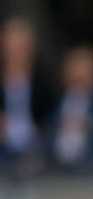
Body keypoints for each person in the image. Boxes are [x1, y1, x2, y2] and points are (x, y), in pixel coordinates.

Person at [0, 15, 55, 163]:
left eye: (23, 45)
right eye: (12, 45)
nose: (17, 51)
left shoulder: (44, 80)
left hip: (36, 146)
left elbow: (52, 116)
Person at [49, 45, 93, 168]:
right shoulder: (56, 100)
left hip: (91, 170)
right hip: (56, 169)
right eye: (75, 69)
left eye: (85, 70)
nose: (80, 75)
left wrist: (89, 126)